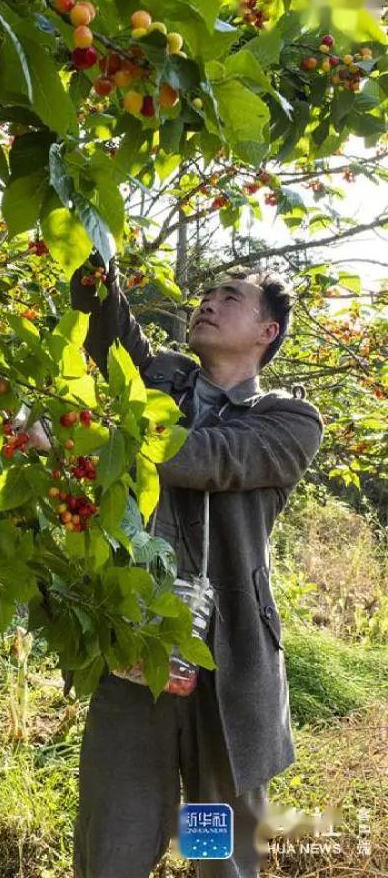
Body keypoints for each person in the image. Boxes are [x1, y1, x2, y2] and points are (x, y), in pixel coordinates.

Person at [31, 254, 323, 877]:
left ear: (267, 331)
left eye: (230, 296)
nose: (208, 302)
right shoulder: (160, 378)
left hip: (229, 673)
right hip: (138, 652)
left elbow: (210, 458)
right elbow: (110, 328)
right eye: (206, 292)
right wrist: (94, 250)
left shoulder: (289, 421)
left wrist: (86, 440)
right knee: (113, 841)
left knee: (218, 852)